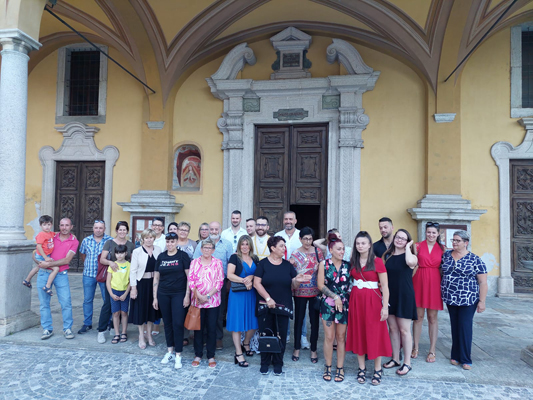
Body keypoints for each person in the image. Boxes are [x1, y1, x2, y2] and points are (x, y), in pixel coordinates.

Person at [254, 236, 310, 376]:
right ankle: (265, 362)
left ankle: (278, 362)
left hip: (283, 306)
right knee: (265, 334)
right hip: (266, 306)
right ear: (272, 248)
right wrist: (268, 298)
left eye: (284, 246)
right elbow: (256, 283)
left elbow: (293, 285)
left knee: (281, 335)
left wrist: (298, 280)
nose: (284, 248)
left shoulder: (287, 265)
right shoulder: (263, 264)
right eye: (281, 246)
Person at [346, 231, 391, 386]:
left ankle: (377, 368)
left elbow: (385, 286)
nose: (360, 246)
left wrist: (385, 307)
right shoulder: (353, 261)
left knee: (375, 333)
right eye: (358, 243)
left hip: (373, 302)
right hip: (356, 301)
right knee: (359, 332)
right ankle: (361, 367)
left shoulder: (377, 261)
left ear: (369, 245)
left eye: (363, 243)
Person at [441, 230, 487, 370]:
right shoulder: (446, 255)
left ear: (466, 243)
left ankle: (466, 358)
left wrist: (482, 301)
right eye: (453, 240)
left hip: (468, 299)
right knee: (455, 326)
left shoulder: (475, 259)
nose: (454, 242)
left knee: (465, 327)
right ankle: (455, 355)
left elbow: (483, 282)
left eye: (457, 240)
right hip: (450, 298)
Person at [153, 232, 191, 369]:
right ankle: (169, 351)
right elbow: (156, 278)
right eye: (168, 241)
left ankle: (178, 354)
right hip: (163, 294)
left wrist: (187, 295)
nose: (170, 244)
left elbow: (189, 277)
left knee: (178, 323)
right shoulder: (161, 257)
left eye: (172, 241)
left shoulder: (183, 256)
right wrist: (155, 297)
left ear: (176, 242)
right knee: (167, 323)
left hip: (179, 294)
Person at [36, 218, 79, 340]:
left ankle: (67, 328)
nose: (64, 228)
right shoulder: (51, 236)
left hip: (61, 274)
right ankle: (47, 329)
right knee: (44, 303)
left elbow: (67, 260)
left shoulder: (74, 241)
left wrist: (48, 264)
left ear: (71, 227)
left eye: (67, 225)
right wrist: (40, 262)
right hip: (44, 273)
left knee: (66, 302)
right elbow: (37, 250)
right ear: (59, 226)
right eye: (62, 225)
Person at [382, 229, 418, 376]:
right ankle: (395, 358)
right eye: (397, 237)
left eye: (403, 239)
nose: (399, 240)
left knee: (404, 330)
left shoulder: (412, 256)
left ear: (407, 241)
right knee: (393, 328)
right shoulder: (388, 256)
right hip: (391, 296)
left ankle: (407, 363)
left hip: (405, 296)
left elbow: (410, 262)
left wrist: (408, 247)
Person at [193, 221, 233, 350]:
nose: (214, 231)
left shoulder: (227, 244)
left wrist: (229, 281)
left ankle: (218, 338)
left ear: (220, 230)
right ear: (208, 230)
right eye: (212, 229)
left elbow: (230, 263)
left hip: (220, 283)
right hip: (201, 285)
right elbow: (194, 262)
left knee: (219, 312)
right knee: (203, 313)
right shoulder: (201, 244)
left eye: (216, 229)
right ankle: (204, 338)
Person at [317, 233, 350, 382]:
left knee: (341, 337)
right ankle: (328, 366)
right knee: (329, 337)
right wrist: (335, 297)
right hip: (327, 304)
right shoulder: (324, 264)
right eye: (338, 249)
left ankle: (340, 367)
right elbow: (320, 285)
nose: (342, 251)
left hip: (343, 305)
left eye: (343, 249)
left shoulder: (348, 265)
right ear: (330, 250)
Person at [96, 221, 135, 344]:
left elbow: (133, 261)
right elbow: (102, 259)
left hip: (124, 279)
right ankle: (101, 330)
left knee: (122, 309)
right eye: (120, 230)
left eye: (124, 230)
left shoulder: (130, 245)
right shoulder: (109, 243)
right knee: (108, 304)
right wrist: (111, 263)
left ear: (127, 231)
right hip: (111, 278)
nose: (122, 232)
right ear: (116, 231)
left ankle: (115, 329)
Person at [289, 227, 323, 364]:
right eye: (305, 239)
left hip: (315, 291)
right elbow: (292, 272)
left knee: (314, 322)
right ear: (300, 239)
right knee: (299, 320)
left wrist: (319, 267)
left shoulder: (318, 252)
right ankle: (296, 348)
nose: (308, 242)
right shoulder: (295, 253)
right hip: (300, 291)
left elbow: (323, 268)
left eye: (310, 239)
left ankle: (313, 349)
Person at [412, 222, 445, 363]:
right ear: (425, 232)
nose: (431, 235)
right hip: (419, 282)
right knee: (418, 317)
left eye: (433, 232)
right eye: (428, 232)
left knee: (432, 317)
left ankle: (432, 350)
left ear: (438, 234)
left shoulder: (443, 248)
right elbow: (411, 264)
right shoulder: (417, 246)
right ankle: (415, 347)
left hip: (434, 284)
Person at [189, 239, 225, 368]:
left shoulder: (218, 263)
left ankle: (211, 355)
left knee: (211, 328)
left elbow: (220, 282)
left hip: (213, 301)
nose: (207, 250)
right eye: (205, 247)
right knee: (198, 329)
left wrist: (208, 296)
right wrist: (199, 296)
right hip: (198, 300)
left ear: (213, 250)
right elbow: (191, 280)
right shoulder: (194, 262)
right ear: (201, 249)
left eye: (209, 248)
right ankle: (198, 354)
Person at [226, 235, 259, 367]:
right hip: (238, 294)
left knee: (254, 323)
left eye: (247, 244)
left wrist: (251, 276)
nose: (245, 247)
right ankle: (238, 353)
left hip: (252, 294)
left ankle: (246, 343)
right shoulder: (235, 257)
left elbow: (259, 273)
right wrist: (245, 281)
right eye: (242, 244)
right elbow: (229, 275)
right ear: (239, 246)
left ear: (250, 245)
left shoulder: (255, 258)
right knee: (238, 323)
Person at [129, 228, 162, 349]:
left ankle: (149, 334)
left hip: (154, 284)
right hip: (141, 284)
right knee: (141, 310)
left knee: (151, 310)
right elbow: (133, 271)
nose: (149, 240)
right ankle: (141, 336)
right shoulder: (137, 251)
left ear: (154, 238)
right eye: (146, 238)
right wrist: (133, 288)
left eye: (151, 237)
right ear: (142, 239)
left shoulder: (158, 250)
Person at [78, 220, 112, 334]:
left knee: (106, 299)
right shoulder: (86, 240)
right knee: (87, 299)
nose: (98, 230)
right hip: (89, 274)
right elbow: (83, 254)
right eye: (96, 228)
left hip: (104, 275)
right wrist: (87, 264)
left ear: (104, 229)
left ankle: (108, 321)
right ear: (93, 228)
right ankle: (87, 323)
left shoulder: (109, 240)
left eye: (100, 228)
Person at [23, 215, 59, 296]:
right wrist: (45, 257)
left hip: (45, 255)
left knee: (38, 267)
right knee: (56, 268)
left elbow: (56, 233)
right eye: (44, 225)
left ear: (51, 225)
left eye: (49, 224)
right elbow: (39, 246)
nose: (47, 227)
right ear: (40, 225)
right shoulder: (41, 235)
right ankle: (47, 286)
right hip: (42, 256)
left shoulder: (50, 233)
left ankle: (27, 280)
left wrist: (67, 234)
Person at [106, 245, 131, 344]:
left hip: (125, 291)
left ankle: (124, 332)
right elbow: (108, 282)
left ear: (126, 253)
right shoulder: (112, 265)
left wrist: (126, 293)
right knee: (115, 313)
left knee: (124, 312)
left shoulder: (129, 265)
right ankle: (117, 333)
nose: (119, 255)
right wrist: (111, 294)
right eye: (117, 253)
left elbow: (130, 281)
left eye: (121, 253)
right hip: (114, 291)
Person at [151, 217, 166, 336]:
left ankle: (157, 324)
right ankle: (149, 322)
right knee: (149, 299)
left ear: (163, 227)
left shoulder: (165, 240)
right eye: (155, 225)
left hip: (161, 273)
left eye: (159, 225)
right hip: (147, 273)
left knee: (159, 300)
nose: (157, 227)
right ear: (152, 226)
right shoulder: (147, 237)